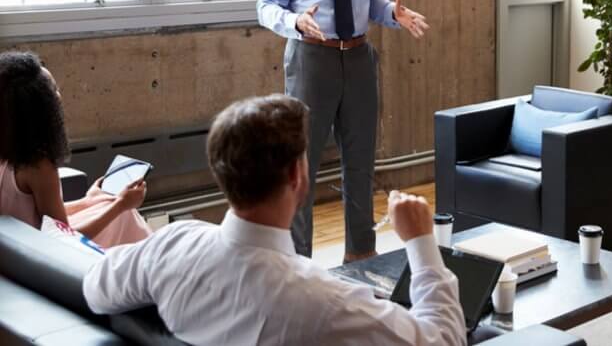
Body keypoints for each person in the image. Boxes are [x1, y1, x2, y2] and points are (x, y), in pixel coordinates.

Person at [83, 94, 466, 346]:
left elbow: (95, 289)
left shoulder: (172, 243)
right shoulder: (324, 303)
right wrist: (421, 242)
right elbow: (444, 339)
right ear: (297, 176)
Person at [257, 0, 430, 260]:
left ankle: (361, 255)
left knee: (361, 160)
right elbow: (266, 6)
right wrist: (296, 21)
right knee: (302, 166)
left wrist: (393, 13)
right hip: (311, 61)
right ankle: (299, 262)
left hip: (358, 58)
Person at [0, 51, 150, 248]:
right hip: (42, 253)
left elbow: (41, 218)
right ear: (39, 108)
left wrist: (89, 201)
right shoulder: (38, 165)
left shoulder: (8, 153)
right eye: (53, 90)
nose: (59, 95)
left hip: (20, 248)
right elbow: (63, 240)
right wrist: (121, 205)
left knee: (105, 205)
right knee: (124, 216)